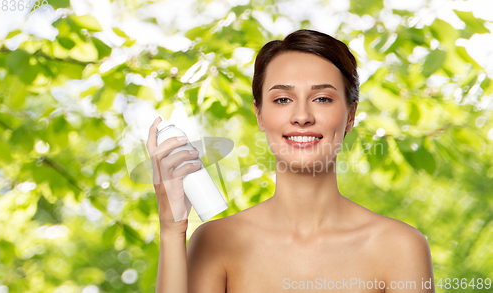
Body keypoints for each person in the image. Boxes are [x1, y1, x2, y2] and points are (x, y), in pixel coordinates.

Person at [147, 29, 435, 293]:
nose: (302, 116)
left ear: (350, 115)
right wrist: (172, 230)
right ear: (259, 114)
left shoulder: (399, 247)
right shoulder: (215, 242)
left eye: (322, 99)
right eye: (282, 99)